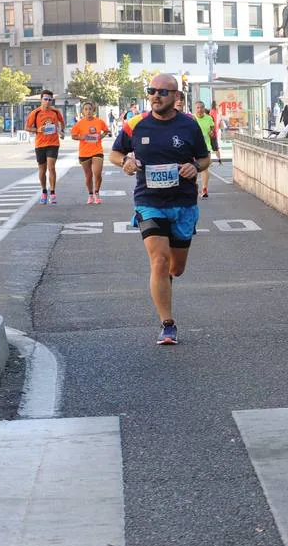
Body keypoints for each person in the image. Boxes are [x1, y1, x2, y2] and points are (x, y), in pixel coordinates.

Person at [109, 74, 211, 346]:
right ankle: (168, 324)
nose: (155, 96)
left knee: (175, 268)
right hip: (149, 202)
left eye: (162, 92)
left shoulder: (189, 126)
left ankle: (165, 281)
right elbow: (115, 153)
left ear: (176, 97)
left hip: (183, 204)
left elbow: (204, 157)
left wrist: (196, 167)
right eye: (151, 91)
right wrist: (125, 162)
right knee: (159, 260)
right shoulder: (136, 124)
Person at [26, 91, 66, 203]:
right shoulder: (35, 113)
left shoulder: (55, 112)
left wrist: (61, 131)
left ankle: (52, 193)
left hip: (53, 143)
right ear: (41, 100)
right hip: (40, 144)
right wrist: (38, 130)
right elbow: (27, 127)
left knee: (51, 167)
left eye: (49, 99)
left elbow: (62, 124)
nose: (47, 101)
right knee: (42, 170)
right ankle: (44, 192)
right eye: (45, 99)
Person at [70, 101, 111, 205]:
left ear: (94, 110)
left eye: (90, 109)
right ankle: (90, 195)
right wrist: (81, 137)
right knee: (88, 176)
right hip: (84, 153)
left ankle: (96, 193)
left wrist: (101, 136)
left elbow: (106, 131)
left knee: (97, 173)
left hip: (97, 150)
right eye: (86, 109)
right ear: (83, 111)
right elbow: (73, 136)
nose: (88, 111)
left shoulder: (99, 122)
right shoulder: (79, 124)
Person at [193, 101, 221, 197]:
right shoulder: (192, 119)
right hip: (193, 148)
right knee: (194, 168)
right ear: (195, 108)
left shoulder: (209, 118)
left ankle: (204, 189)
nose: (200, 109)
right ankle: (194, 187)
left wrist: (212, 133)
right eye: (198, 108)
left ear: (204, 108)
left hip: (206, 147)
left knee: (205, 168)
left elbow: (212, 131)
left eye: (201, 107)